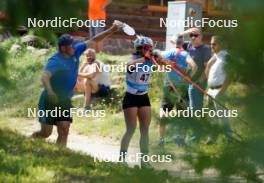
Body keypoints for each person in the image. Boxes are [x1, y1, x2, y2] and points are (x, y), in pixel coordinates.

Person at [31, 20, 124, 146]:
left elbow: (94, 40)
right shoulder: (55, 60)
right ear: (63, 48)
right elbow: (45, 76)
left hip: (64, 100)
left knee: (64, 129)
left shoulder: (76, 50)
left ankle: (60, 156)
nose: (74, 47)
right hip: (49, 99)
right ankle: (30, 140)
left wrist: (111, 30)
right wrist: (50, 91)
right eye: (71, 45)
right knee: (46, 133)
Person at [119, 36, 155, 168]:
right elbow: (130, 66)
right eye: (144, 48)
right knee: (131, 128)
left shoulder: (151, 60)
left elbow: (167, 65)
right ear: (138, 49)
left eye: (149, 48)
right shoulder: (133, 60)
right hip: (131, 97)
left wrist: (160, 59)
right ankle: (122, 158)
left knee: (145, 129)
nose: (147, 50)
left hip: (144, 97)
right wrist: (145, 58)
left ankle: (144, 161)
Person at [157, 36, 197, 146]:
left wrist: (163, 69)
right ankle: (181, 140)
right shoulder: (185, 54)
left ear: (174, 43)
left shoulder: (167, 53)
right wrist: (188, 78)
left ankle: (161, 140)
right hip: (182, 87)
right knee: (183, 114)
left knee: (164, 112)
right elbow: (194, 66)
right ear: (182, 43)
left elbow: (157, 60)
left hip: (169, 86)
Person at [205, 35, 232, 137]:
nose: (211, 46)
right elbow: (208, 70)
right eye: (210, 44)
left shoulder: (226, 56)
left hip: (219, 90)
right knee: (212, 116)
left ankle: (229, 136)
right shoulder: (215, 57)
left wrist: (222, 90)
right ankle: (212, 137)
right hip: (211, 90)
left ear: (221, 44)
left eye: (214, 44)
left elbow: (230, 74)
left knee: (222, 115)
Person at [179, 28, 211, 111]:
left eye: (196, 35)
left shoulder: (205, 49)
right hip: (188, 81)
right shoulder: (189, 45)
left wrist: (200, 81)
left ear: (201, 37)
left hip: (197, 83)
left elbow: (207, 67)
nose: (193, 37)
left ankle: (197, 122)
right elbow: (174, 39)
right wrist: (187, 32)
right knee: (189, 107)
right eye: (191, 35)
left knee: (195, 109)